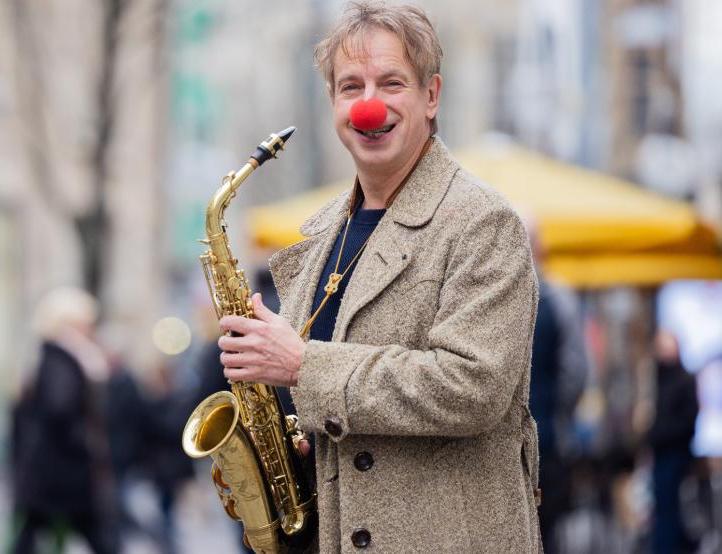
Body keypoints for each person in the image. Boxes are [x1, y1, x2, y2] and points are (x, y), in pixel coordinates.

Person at [216, 2, 541, 551]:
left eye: (391, 83)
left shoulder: (485, 223)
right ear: (332, 103)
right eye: (351, 87)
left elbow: (473, 387)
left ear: (431, 95)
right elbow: (345, 411)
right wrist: (288, 449)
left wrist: (302, 364)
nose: (369, 106)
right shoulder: (322, 235)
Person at [11, 287, 117, 554]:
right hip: (63, 473)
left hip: (51, 473)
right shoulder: (63, 360)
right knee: (99, 535)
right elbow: (59, 408)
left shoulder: (53, 359)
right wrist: (84, 441)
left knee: (31, 533)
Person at [522, 214, 589, 553]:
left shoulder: (491, 300)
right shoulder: (560, 299)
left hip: (506, 446)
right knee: (547, 536)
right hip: (547, 439)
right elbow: (576, 372)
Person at [648, 330, 699, 553]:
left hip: (675, 454)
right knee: (661, 508)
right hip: (659, 454)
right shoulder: (655, 380)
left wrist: (660, 434)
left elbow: (687, 421)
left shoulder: (684, 380)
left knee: (671, 510)